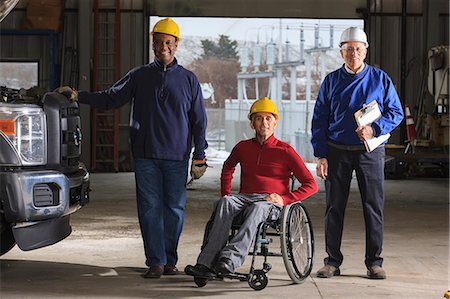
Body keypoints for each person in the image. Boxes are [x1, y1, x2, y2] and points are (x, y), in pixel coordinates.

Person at [56, 18, 208, 279]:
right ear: (153, 44)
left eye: (168, 42)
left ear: (176, 45)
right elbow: (112, 97)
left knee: (174, 209)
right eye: (158, 42)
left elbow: (199, 120)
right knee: (149, 208)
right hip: (146, 154)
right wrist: (79, 95)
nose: (163, 46)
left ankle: (170, 259)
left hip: (177, 156)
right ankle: (156, 262)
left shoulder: (189, 80)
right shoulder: (139, 76)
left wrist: (200, 154)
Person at [185, 97, 318, 278]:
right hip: (244, 197)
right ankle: (205, 263)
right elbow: (228, 167)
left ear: (275, 122)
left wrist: (284, 199)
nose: (264, 123)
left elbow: (311, 184)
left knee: (258, 207)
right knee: (225, 203)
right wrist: (226, 193)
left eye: (268, 118)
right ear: (252, 123)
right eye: (259, 118)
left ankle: (230, 259)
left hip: (270, 202)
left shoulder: (286, 151)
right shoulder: (243, 147)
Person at [311, 27, 404, 280]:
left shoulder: (380, 79)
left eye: (358, 49)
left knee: (373, 207)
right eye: (349, 49)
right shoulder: (331, 81)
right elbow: (319, 120)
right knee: (334, 208)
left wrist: (374, 129)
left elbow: (396, 113)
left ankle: (374, 262)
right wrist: (321, 155)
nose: (354, 53)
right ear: (342, 52)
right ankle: (332, 261)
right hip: (337, 151)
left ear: (365, 51)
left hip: (369, 153)